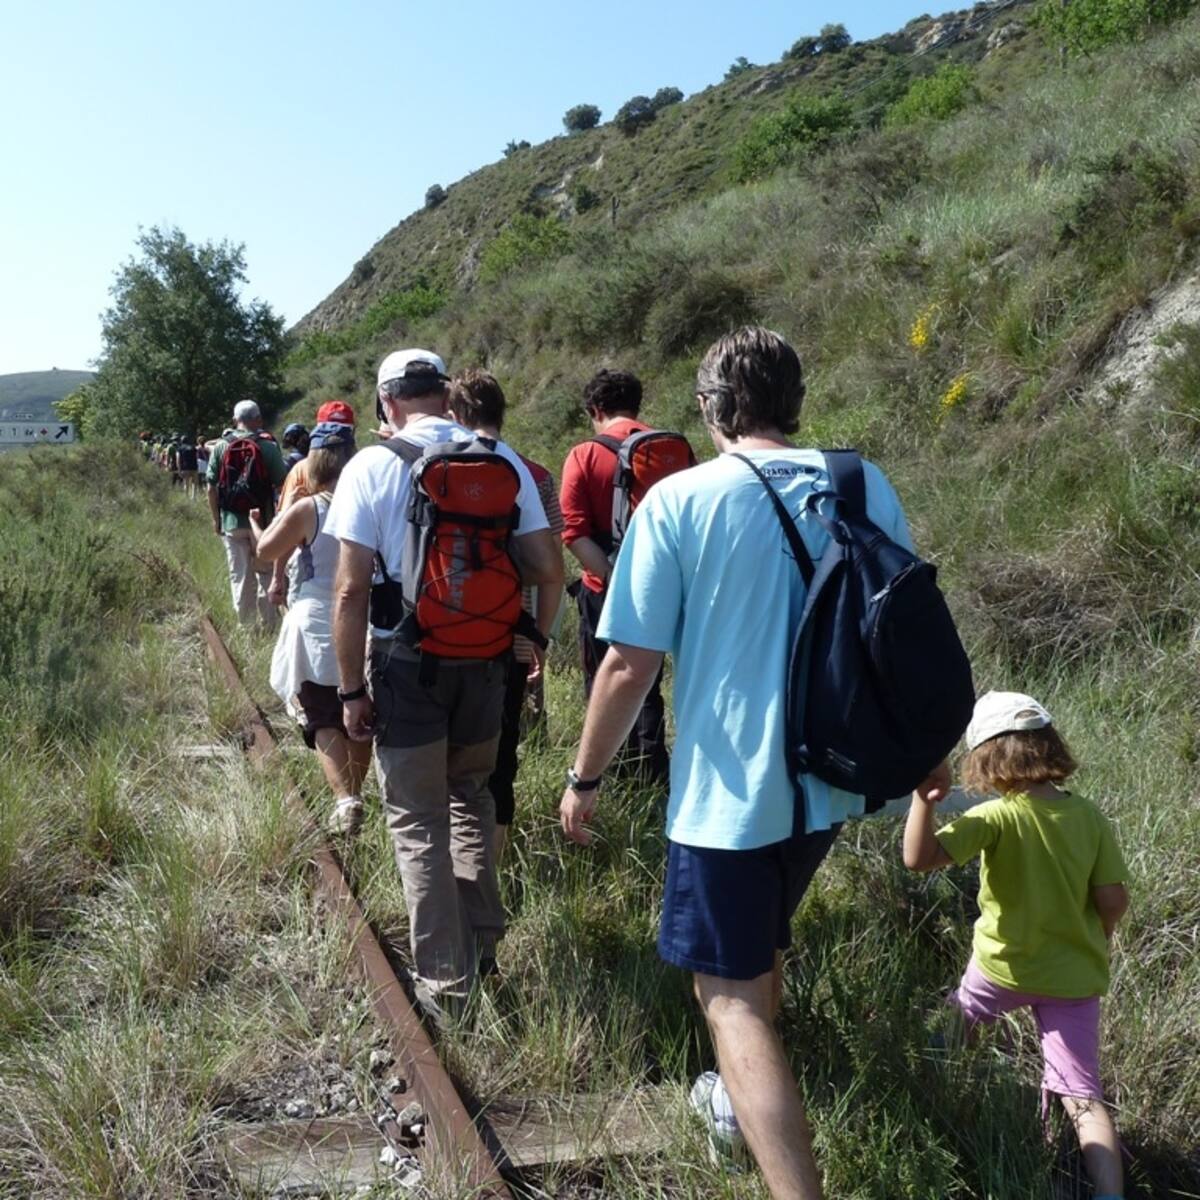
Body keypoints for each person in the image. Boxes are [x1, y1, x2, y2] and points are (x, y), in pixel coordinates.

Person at [559, 327, 922, 1200]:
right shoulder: (860, 482)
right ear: (793, 399)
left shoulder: (680, 501)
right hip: (834, 781)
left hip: (729, 795)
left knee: (728, 1001)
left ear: (713, 406)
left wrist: (584, 779)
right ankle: (733, 1109)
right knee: (758, 954)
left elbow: (627, 665)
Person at [328, 349, 563, 1011]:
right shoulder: (500, 459)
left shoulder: (372, 466)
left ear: (387, 403)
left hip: (406, 666)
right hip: (489, 664)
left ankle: (445, 982)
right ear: (445, 394)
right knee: (471, 798)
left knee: (415, 819)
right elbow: (549, 568)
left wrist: (351, 692)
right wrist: (533, 638)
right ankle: (482, 947)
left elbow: (348, 595)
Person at [903, 691, 1130, 1200]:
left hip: (999, 968)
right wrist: (1099, 934)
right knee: (1083, 1095)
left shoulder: (997, 818)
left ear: (986, 759)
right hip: (1072, 976)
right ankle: (1111, 1195)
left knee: (951, 1036)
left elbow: (919, 859)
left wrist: (922, 800)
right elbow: (1113, 898)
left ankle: (935, 1115)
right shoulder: (1088, 818)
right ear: (1049, 746)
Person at [447, 368, 565, 861]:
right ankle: (487, 873)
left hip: (443, 632)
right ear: (502, 412)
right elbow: (551, 567)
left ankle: (441, 871)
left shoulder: (436, 465)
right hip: (509, 632)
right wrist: (537, 635)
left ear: (454, 415)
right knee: (499, 758)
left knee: (444, 758)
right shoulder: (533, 473)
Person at [251, 423, 370, 835]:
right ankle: (356, 792)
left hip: (318, 619)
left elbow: (265, 551)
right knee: (361, 709)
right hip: (366, 618)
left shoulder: (310, 507)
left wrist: (270, 518)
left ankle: (344, 798)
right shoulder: (369, 502)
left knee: (322, 714)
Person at [559, 368, 670, 786]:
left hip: (603, 589)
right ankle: (656, 776)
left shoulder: (584, 454)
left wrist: (615, 582)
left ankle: (612, 778)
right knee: (650, 683)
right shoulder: (667, 448)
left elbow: (573, 533)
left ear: (595, 409)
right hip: (663, 587)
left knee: (604, 681)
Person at [206, 400, 288, 630]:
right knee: (265, 573)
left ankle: (248, 628)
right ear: (258, 419)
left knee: (240, 576)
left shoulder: (221, 447)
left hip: (232, 521)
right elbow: (283, 486)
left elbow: (211, 488)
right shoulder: (268, 447)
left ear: (235, 420)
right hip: (263, 523)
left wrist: (216, 519)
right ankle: (270, 624)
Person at [269, 401, 357, 609]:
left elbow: (285, 530)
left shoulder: (301, 470)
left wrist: (277, 576)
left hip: (307, 565)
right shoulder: (362, 467)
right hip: (354, 559)